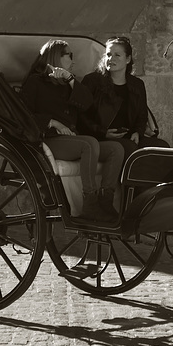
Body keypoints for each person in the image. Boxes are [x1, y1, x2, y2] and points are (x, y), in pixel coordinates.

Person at [20, 39, 124, 222]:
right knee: (89, 144)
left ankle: (105, 201)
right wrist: (53, 122)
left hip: (71, 139)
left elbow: (86, 103)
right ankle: (89, 204)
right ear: (55, 56)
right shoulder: (35, 82)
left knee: (116, 149)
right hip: (49, 139)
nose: (73, 60)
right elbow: (23, 116)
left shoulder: (67, 82)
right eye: (69, 55)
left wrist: (69, 79)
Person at [78, 36, 169, 161]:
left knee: (162, 147)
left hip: (129, 136)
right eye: (108, 54)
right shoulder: (92, 81)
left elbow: (142, 115)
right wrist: (103, 132)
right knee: (131, 149)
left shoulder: (137, 85)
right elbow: (81, 115)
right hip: (100, 136)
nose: (111, 59)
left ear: (128, 59)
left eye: (117, 55)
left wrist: (137, 132)